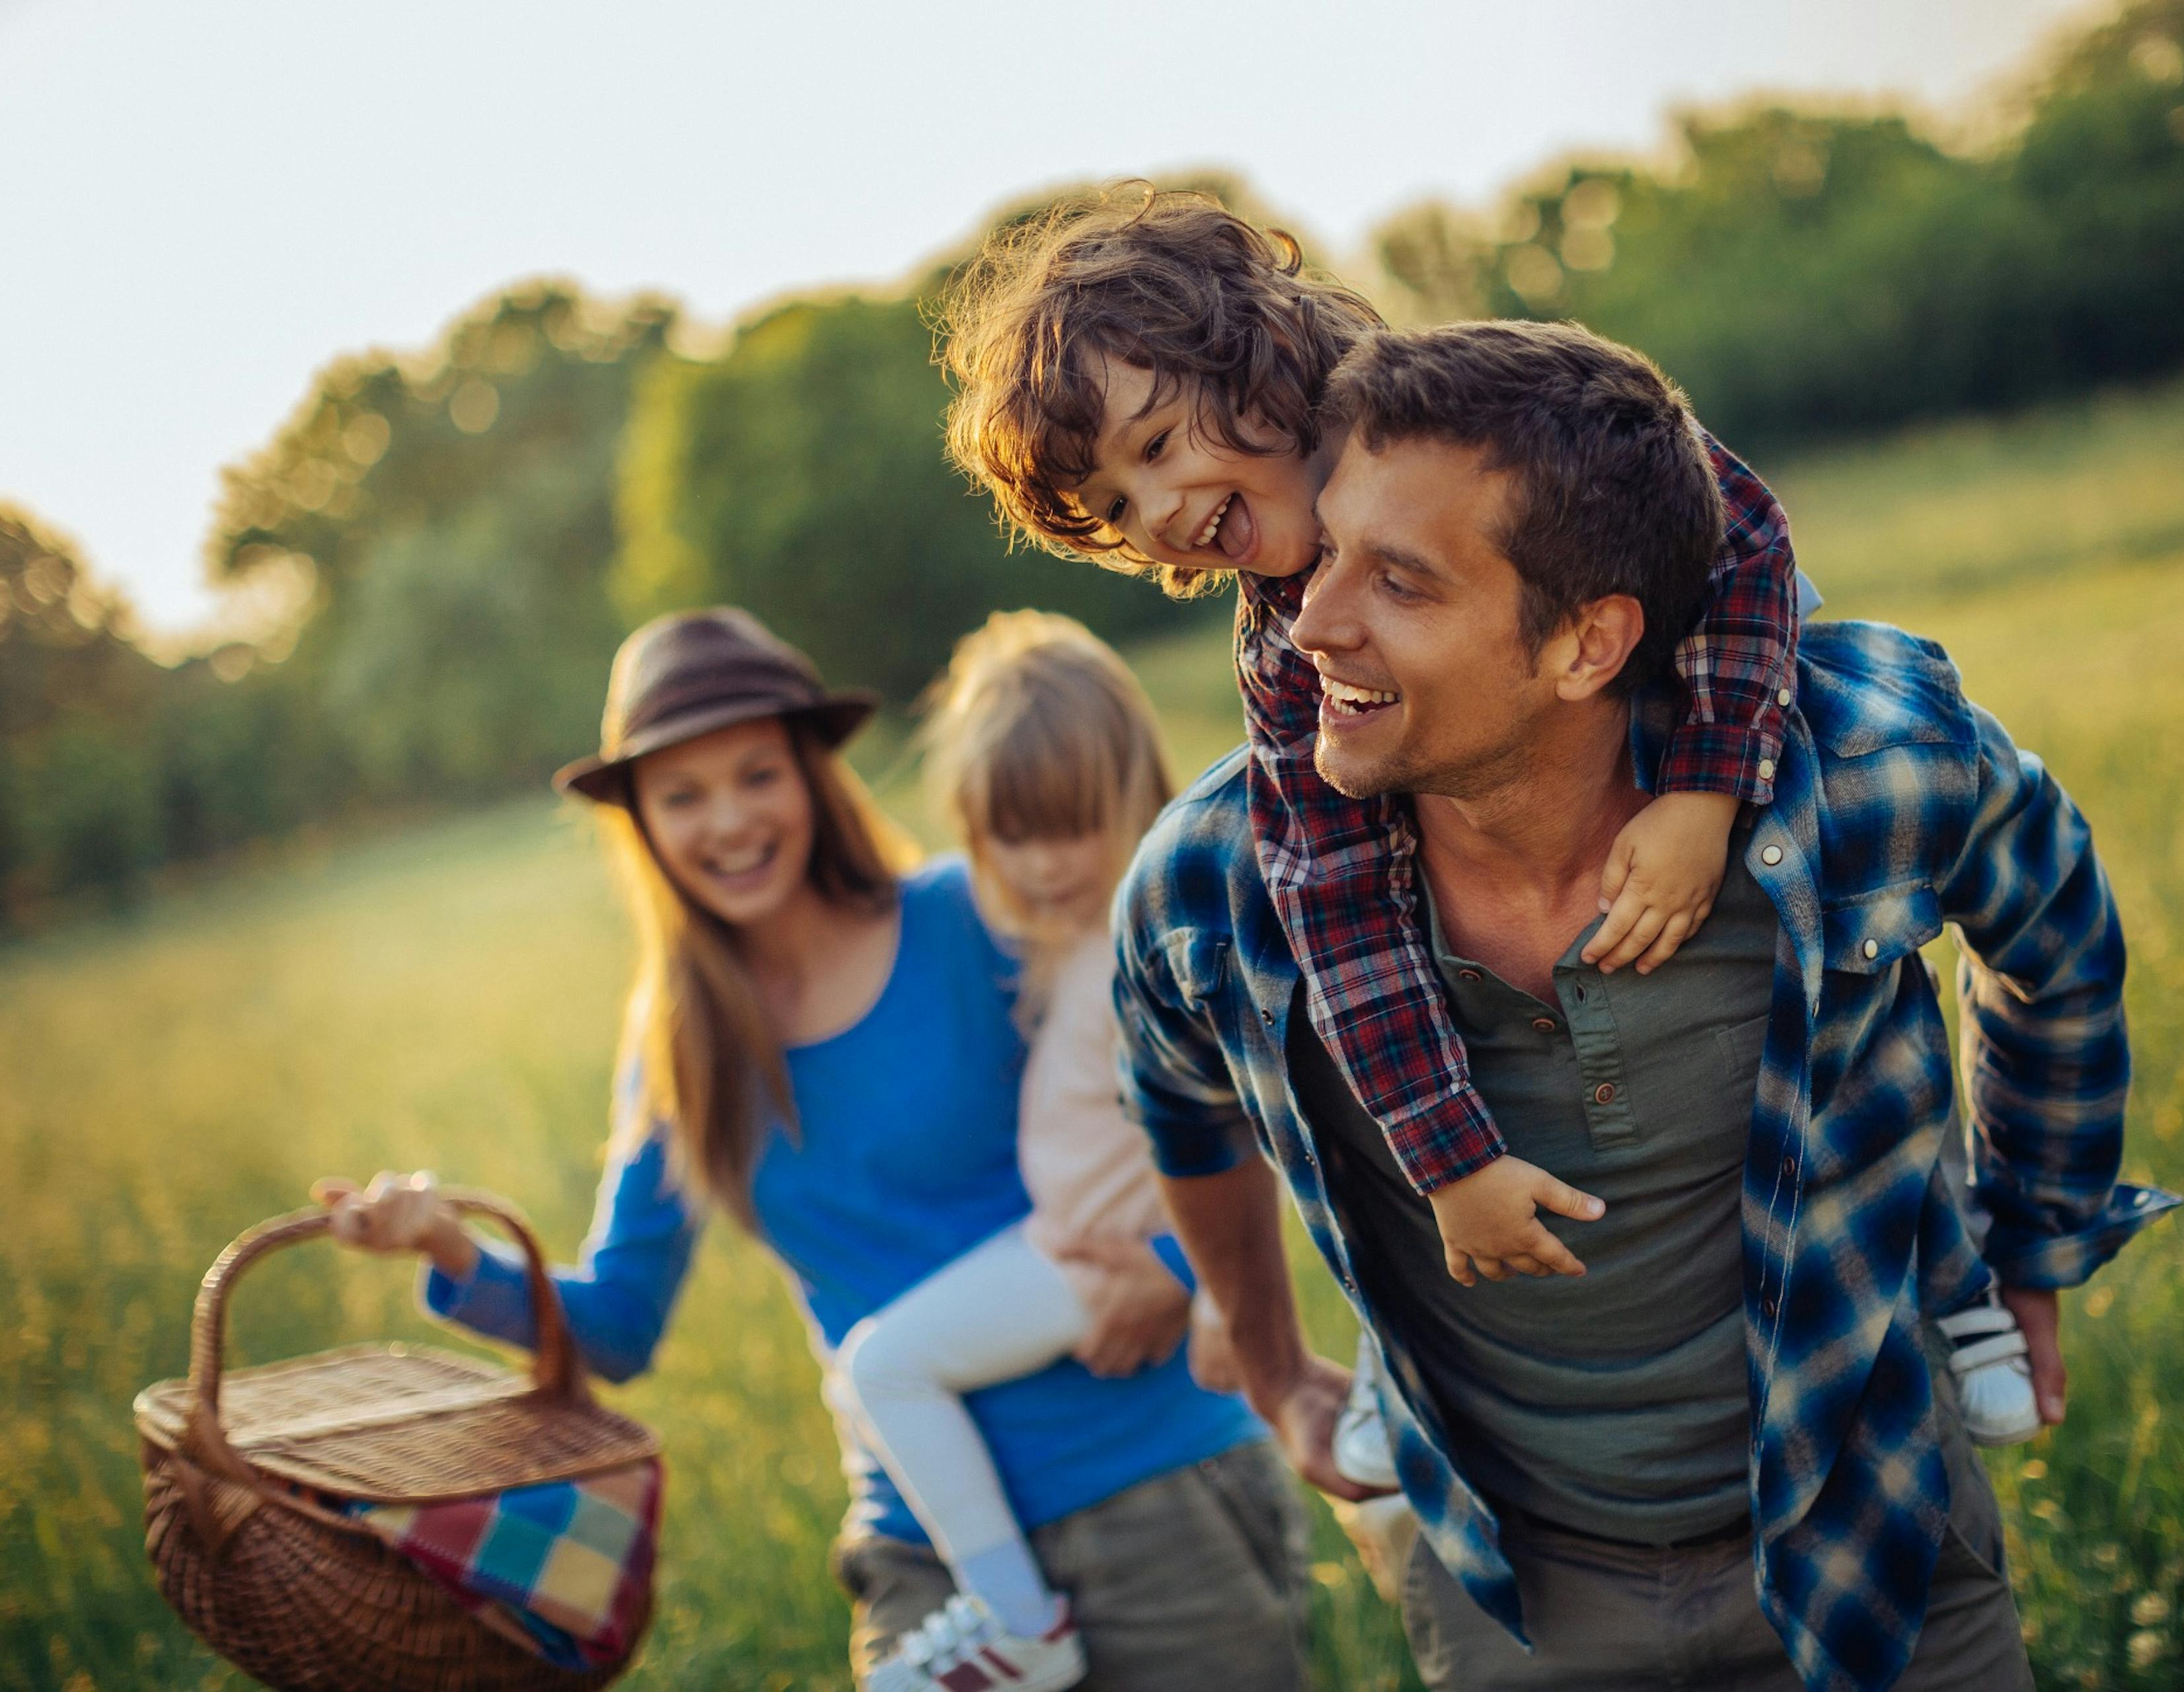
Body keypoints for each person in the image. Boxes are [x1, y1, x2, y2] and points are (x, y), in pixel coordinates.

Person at [1107, 321, 2182, 1691]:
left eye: (1401, 581)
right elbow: (1177, 1102)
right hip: (1512, 1597)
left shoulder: (1865, 771)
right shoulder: (1215, 884)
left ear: (1589, 641)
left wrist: (2033, 1233)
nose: (1309, 618)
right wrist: (1267, 1363)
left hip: (1875, 1545)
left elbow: (2060, 936)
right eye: (1328, 554)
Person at [937, 187, 2043, 1444]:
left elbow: (1745, 538)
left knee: (1834, 989)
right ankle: (1420, 1386)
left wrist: (1703, 794)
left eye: (1154, 447)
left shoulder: (1493, 413)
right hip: (1520, 886)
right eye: (1122, 511)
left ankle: (1949, 1279)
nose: (1163, 515)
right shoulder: (1281, 652)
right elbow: (1337, 910)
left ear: (1255, 351)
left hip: (1710, 721)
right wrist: (1449, 1160)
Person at [314, 607, 1310, 1692]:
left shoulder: (975, 917)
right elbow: (618, 1324)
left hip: (1151, 1487)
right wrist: (455, 1255)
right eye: (681, 794)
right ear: (641, 823)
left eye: (756, 775)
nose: (728, 821)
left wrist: (1183, 1276)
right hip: (927, 1551)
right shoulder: (681, 1050)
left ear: (812, 778)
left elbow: (1202, 1099)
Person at [829, 611, 1230, 1691]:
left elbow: (1246, 1117)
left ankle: (1018, 1626)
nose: (1045, 864)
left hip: (1099, 1256)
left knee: (882, 1366)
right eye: (1013, 834)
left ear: (1133, 792)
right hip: (1069, 1242)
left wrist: (1189, 1271)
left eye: (1071, 826)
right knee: (864, 1378)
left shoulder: (1138, 947)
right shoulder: (1069, 933)